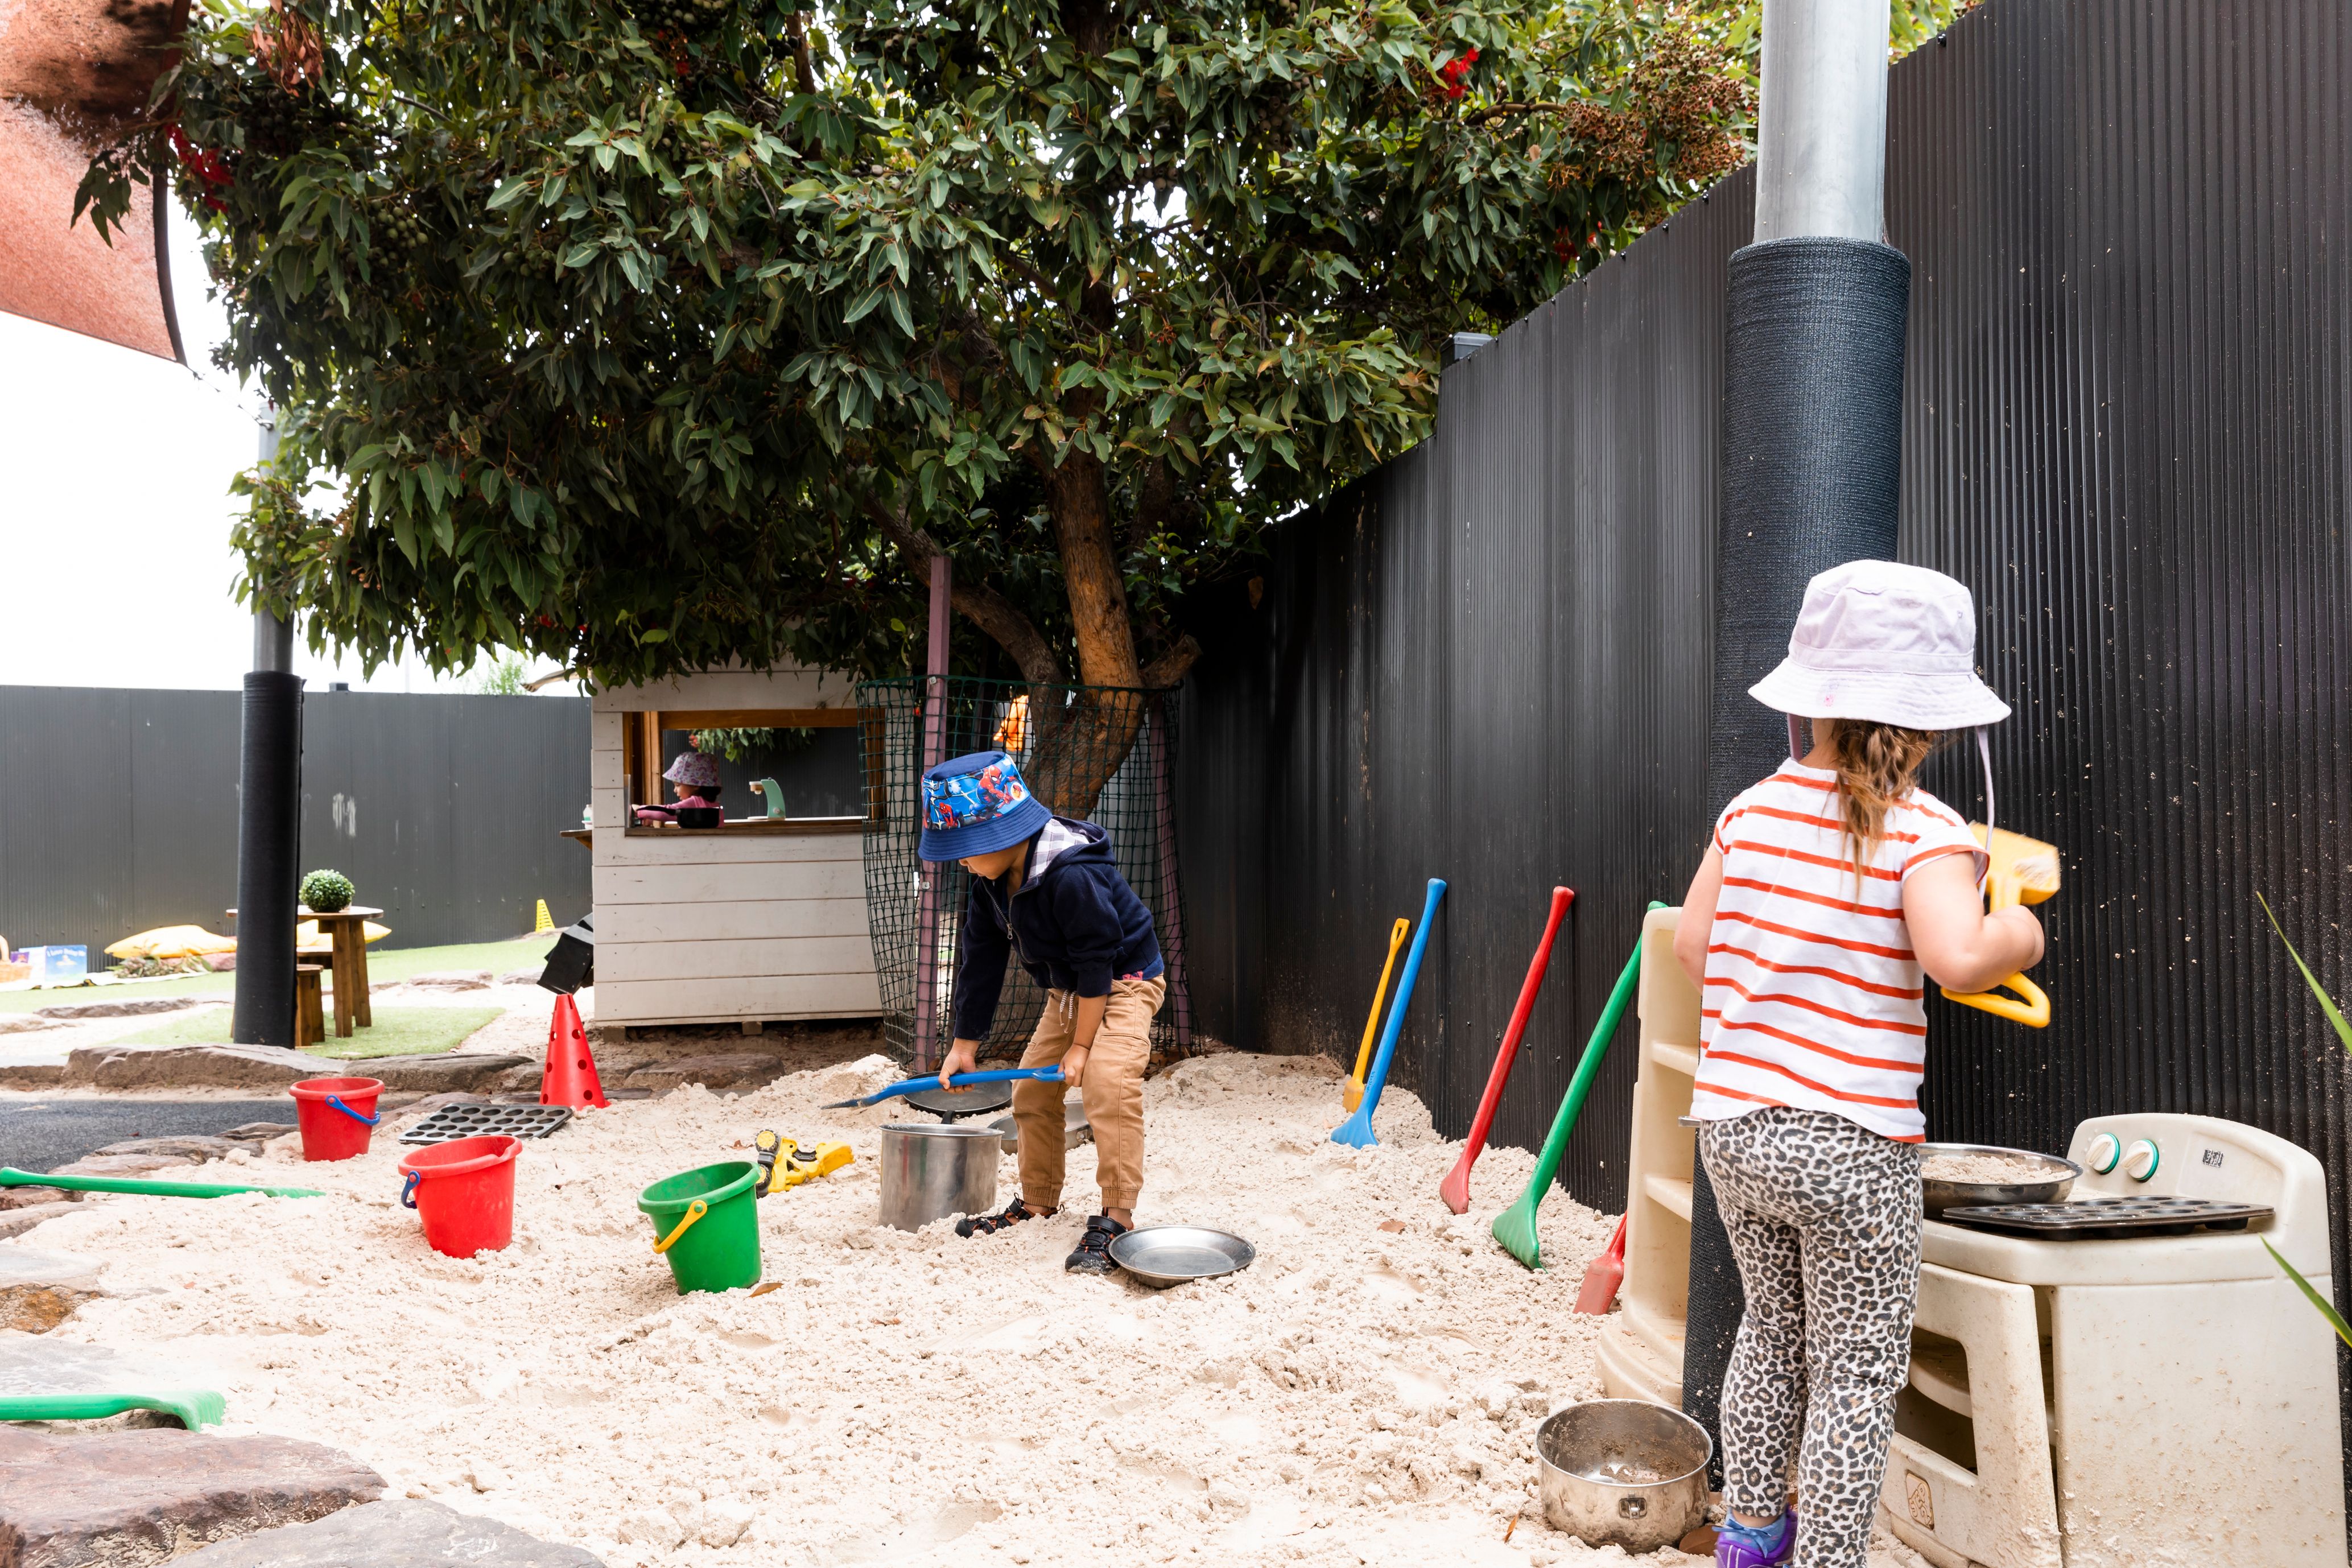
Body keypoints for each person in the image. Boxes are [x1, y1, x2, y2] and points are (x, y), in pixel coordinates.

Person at [1672, 562, 2045, 1568]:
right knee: (1855, 1368)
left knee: (1768, 1333)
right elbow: (1955, 959)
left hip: (1735, 1129)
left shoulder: (1747, 812)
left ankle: (1749, 1535)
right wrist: (2016, 929)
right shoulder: (1923, 830)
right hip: (1849, 1143)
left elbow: (1686, 945)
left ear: (1810, 708)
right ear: (1928, 726)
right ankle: (1831, 1558)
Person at [919, 749, 1165, 1274]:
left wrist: (1081, 1046)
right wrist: (965, 1045)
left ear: (1004, 835)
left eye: (964, 848)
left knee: (1107, 1083)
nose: (959, 859)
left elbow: (1099, 961)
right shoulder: (988, 882)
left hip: (1122, 982)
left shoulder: (1070, 874)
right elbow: (980, 960)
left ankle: (1118, 1215)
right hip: (1071, 992)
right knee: (1031, 1090)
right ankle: (1038, 1200)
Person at [634, 750, 723, 823]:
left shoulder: (696, 803)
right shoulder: (713, 805)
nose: (675, 790)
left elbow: (666, 812)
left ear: (695, 785)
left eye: (678, 785)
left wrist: (639, 810)